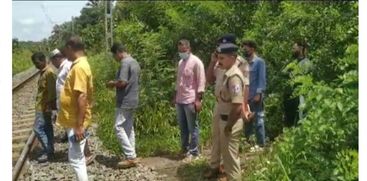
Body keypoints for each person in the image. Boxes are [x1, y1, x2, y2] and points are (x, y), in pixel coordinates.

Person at [204, 34, 250, 179]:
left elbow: (242, 89)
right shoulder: (220, 61)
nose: (219, 58)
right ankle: (215, 166)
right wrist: (213, 62)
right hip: (221, 105)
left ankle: (229, 171)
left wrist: (243, 108)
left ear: (232, 56)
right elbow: (209, 79)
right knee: (218, 138)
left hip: (231, 109)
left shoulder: (238, 67)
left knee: (230, 152)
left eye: (222, 56)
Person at [49, 48, 95, 165]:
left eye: (52, 60)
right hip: (66, 108)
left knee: (78, 132)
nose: (52, 63)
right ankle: (79, 155)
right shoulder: (62, 68)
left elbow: (79, 89)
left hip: (73, 108)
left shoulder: (69, 66)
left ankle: (85, 155)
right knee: (74, 134)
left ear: (57, 58)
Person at [56, 36, 93, 181]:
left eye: (66, 50)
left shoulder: (79, 67)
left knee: (76, 159)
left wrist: (78, 126)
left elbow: (81, 96)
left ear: (70, 48)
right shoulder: (79, 65)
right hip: (72, 120)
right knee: (77, 158)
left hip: (75, 122)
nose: (66, 54)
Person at [215, 43, 247, 180]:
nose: (218, 61)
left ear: (232, 58)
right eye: (218, 58)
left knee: (231, 164)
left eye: (222, 58)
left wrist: (228, 126)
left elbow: (237, 106)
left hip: (230, 123)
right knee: (228, 162)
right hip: (226, 121)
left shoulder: (234, 77)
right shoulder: (228, 74)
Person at [107, 42, 141, 168]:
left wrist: (111, 83)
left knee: (118, 127)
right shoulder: (135, 62)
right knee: (128, 127)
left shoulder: (125, 63)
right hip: (134, 98)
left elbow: (122, 82)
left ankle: (130, 156)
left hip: (125, 100)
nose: (115, 58)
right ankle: (132, 155)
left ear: (118, 52)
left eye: (114, 55)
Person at [172, 39, 205, 162]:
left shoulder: (197, 62)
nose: (181, 52)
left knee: (193, 127)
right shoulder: (181, 62)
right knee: (182, 126)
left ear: (189, 49)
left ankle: (194, 151)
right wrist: (175, 96)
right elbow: (178, 81)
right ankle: (185, 148)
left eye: (184, 50)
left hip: (191, 99)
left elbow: (201, 81)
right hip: (180, 99)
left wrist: (198, 100)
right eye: (180, 51)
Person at [31, 52, 57, 163]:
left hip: (44, 106)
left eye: (37, 63)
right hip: (42, 105)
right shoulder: (44, 72)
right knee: (47, 128)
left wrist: (50, 106)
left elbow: (52, 91)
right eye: (34, 63)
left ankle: (48, 150)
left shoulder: (49, 73)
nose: (36, 65)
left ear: (43, 60)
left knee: (37, 129)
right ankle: (50, 152)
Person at [241, 40, 267, 151]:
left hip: (255, 96)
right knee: (247, 120)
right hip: (246, 96)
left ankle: (261, 144)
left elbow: (262, 79)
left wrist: (259, 93)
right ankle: (249, 144)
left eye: (246, 49)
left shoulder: (259, 62)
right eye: (243, 49)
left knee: (259, 120)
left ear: (252, 49)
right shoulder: (244, 63)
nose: (244, 51)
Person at [283, 40, 312, 127]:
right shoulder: (294, 62)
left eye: (294, 48)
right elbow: (283, 72)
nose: (292, 50)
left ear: (300, 48)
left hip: (299, 96)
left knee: (299, 119)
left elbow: (299, 77)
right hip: (289, 97)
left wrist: (291, 74)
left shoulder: (306, 62)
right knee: (289, 121)